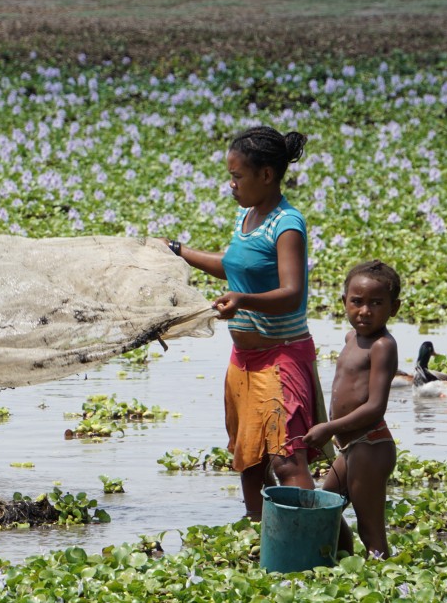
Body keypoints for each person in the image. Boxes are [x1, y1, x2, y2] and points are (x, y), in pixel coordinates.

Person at [164, 125, 326, 520]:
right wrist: (178, 251)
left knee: (288, 462)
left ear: (266, 175)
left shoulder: (287, 224)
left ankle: (307, 544)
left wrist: (243, 300)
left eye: (237, 176)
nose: (231, 185)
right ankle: (262, 538)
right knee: (250, 461)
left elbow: (292, 292)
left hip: (281, 358)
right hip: (244, 361)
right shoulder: (247, 216)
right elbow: (233, 265)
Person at [304, 260, 400, 558]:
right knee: (324, 509)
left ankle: (385, 584)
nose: (365, 311)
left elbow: (374, 407)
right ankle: (344, 566)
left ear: (394, 308)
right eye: (357, 302)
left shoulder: (383, 345)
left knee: (370, 530)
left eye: (376, 303)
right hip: (350, 448)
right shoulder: (350, 338)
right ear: (343, 302)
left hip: (370, 446)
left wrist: (329, 428)